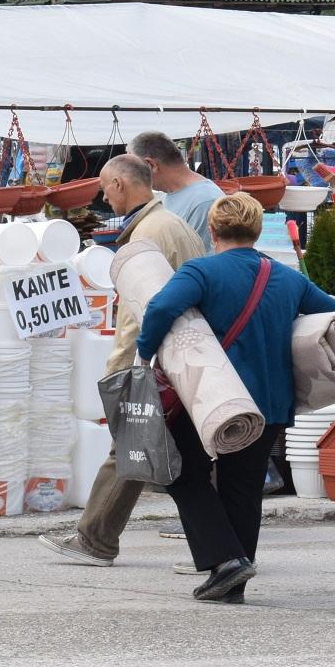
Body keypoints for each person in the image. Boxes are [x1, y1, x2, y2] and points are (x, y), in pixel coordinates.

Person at [135, 193, 335, 603]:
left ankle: (225, 560)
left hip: (210, 398)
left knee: (181, 472)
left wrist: (145, 352)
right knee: (243, 488)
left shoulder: (201, 271)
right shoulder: (287, 277)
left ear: (212, 231)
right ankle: (233, 582)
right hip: (270, 401)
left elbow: (161, 308)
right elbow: (333, 313)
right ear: (255, 230)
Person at [39, 154, 205, 568]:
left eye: (103, 187)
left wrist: (120, 367)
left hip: (154, 359)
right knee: (173, 454)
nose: (102, 197)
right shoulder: (173, 223)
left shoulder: (147, 234)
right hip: (185, 356)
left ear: (118, 185)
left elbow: (137, 314)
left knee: (131, 447)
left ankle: (95, 539)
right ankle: (219, 549)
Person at [130, 131, 226, 252]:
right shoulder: (165, 195)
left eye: (134, 169)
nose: (132, 176)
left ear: (151, 165)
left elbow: (201, 260)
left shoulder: (205, 201)